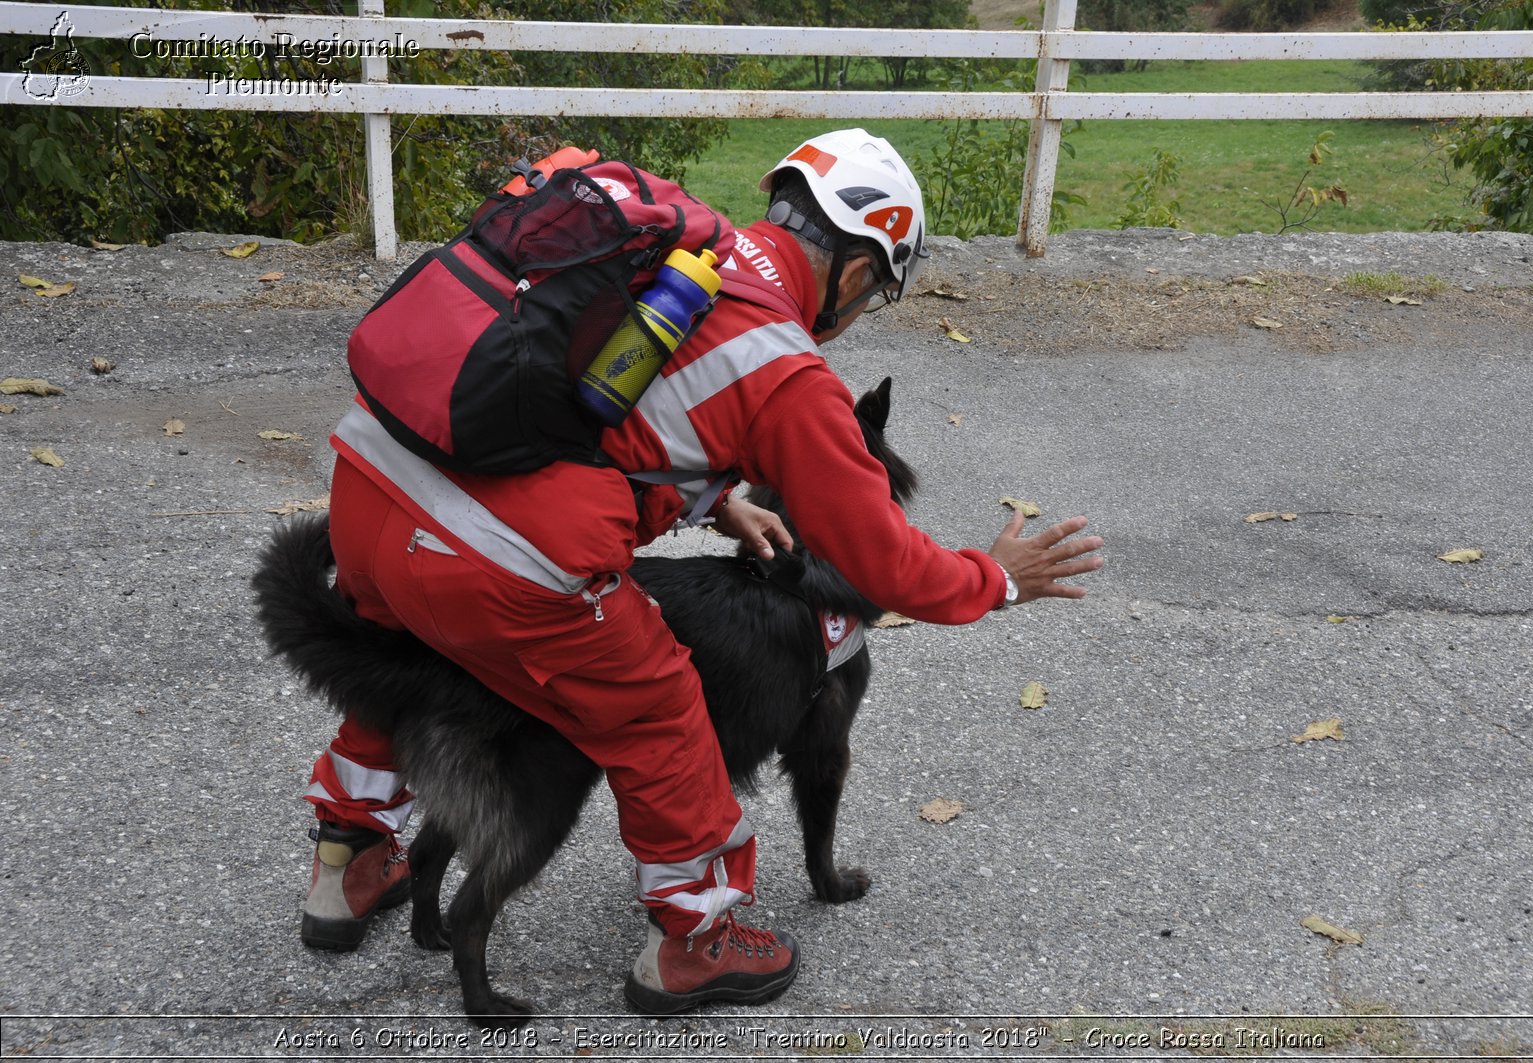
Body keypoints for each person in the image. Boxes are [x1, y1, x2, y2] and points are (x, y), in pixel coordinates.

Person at [298, 128, 1105, 1013]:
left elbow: (583, 393)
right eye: (873, 288)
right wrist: (999, 577)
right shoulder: (789, 369)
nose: (858, 309)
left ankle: (345, 867)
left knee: (414, 666)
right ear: (853, 266)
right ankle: (695, 938)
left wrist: (721, 501)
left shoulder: (678, 244)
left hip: (370, 484)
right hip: (490, 555)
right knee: (656, 708)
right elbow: (887, 561)